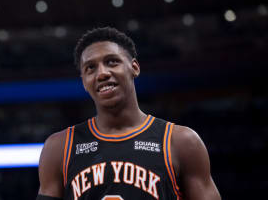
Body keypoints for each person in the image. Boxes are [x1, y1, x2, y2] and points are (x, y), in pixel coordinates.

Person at [36, 27, 221, 200]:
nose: (102, 73)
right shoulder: (59, 147)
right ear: (84, 82)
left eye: (112, 62)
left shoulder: (181, 141)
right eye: (90, 68)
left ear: (134, 67)